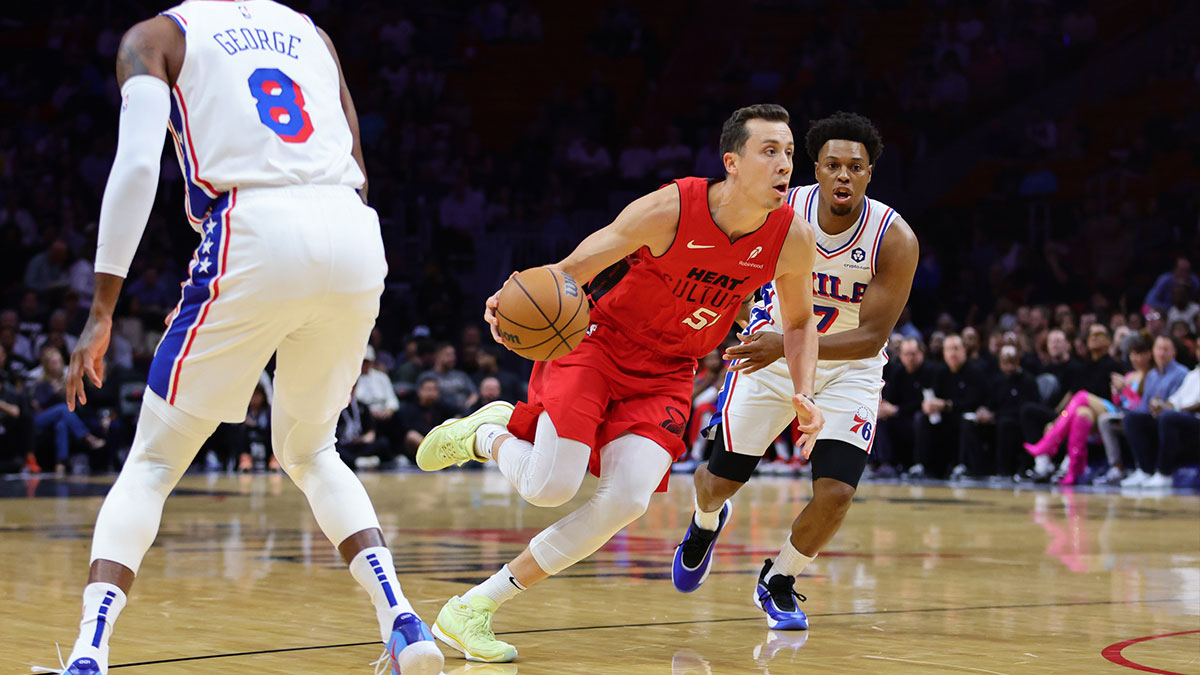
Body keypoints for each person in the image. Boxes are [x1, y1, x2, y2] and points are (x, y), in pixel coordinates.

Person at [54, 4, 442, 674]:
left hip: (254, 227)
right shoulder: (315, 34)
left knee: (151, 464)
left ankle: (90, 653)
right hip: (352, 229)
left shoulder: (153, 38)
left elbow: (139, 168)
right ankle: (404, 622)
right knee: (313, 450)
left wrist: (102, 306)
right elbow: (356, 158)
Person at [416, 104, 824, 662]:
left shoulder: (791, 237)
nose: (785, 165)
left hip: (670, 372)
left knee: (628, 500)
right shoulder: (670, 209)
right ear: (732, 162)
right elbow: (572, 271)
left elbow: (799, 321)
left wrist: (803, 390)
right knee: (548, 488)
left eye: (789, 154)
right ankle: (489, 433)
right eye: (770, 151)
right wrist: (512, 298)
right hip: (599, 346)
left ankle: (472, 609)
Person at [670, 112, 918, 629]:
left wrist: (788, 345)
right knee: (718, 483)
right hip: (771, 355)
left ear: (870, 173)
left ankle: (779, 579)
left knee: (837, 492)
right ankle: (705, 522)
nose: (843, 176)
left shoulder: (894, 239)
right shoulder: (784, 207)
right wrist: (741, 316)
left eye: (855, 166)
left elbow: (872, 337)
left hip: (846, 365)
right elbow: (730, 263)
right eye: (833, 165)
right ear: (818, 170)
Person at [1021, 324, 1123, 484]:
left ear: (1109, 341)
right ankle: (1071, 471)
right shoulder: (1085, 367)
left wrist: (1058, 421)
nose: (1094, 337)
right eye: (1091, 335)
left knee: (1081, 396)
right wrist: (1058, 417)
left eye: (1099, 334)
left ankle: (1049, 443)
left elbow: (1121, 396)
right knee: (1081, 414)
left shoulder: (1114, 365)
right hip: (1087, 414)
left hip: (1109, 410)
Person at [1121, 337, 1193, 487]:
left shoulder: (1182, 373)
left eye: (1165, 349)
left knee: (1167, 418)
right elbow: (1145, 406)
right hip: (1160, 417)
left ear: (1174, 352)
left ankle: (1164, 473)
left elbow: (1179, 404)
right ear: (1153, 352)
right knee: (1132, 419)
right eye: (1158, 349)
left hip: (1179, 420)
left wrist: (1163, 406)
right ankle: (1144, 470)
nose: (1161, 353)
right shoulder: (1152, 375)